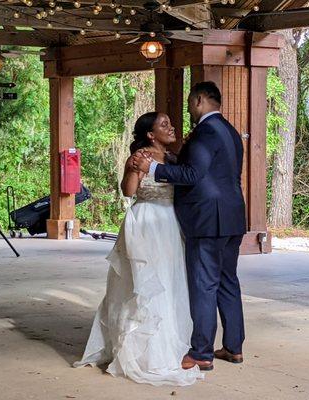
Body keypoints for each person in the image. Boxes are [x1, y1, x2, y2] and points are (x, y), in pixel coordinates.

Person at [73, 112, 204, 386]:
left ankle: (172, 344)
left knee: (170, 282)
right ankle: (144, 352)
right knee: (145, 284)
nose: (171, 127)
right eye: (164, 125)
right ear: (150, 134)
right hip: (147, 222)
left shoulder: (172, 156)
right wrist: (135, 169)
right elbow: (129, 191)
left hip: (171, 223)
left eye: (170, 123)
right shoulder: (140, 156)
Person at [132, 81, 246, 370]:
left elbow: (193, 173)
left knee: (204, 285)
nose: (187, 109)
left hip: (207, 220)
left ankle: (202, 353)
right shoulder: (231, 132)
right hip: (232, 217)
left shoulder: (206, 132)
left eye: (188, 103)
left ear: (199, 101)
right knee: (227, 282)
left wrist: (153, 168)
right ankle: (233, 348)